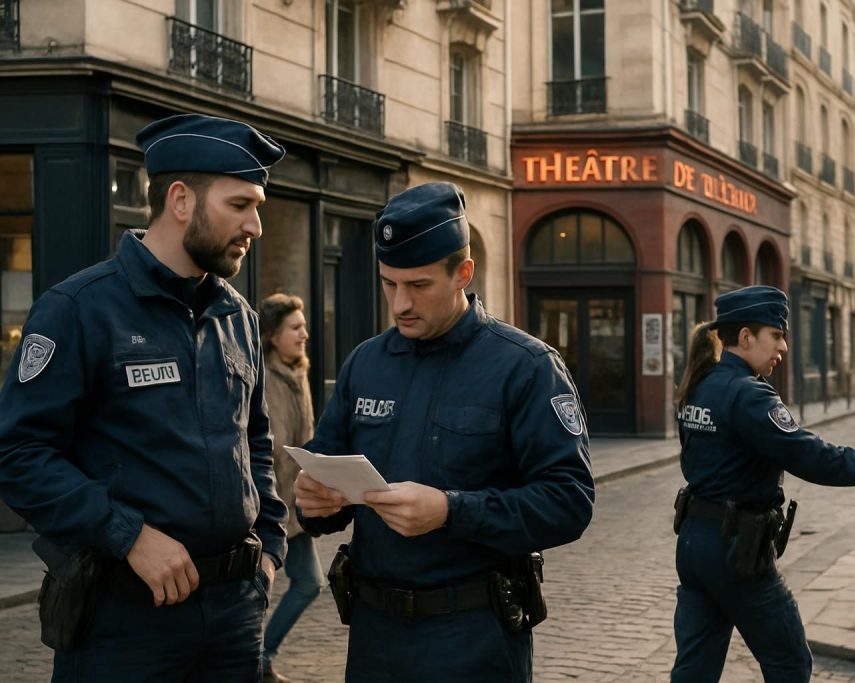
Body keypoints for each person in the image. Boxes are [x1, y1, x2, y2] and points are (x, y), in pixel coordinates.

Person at [0, 113, 288, 680]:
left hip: (234, 615)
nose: (255, 225)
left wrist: (271, 545)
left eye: (258, 208)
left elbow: (254, 438)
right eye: (240, 205)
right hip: (124, 620)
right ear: (180, 200)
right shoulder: (79, 308)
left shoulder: (240, 318)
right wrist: (126, 534)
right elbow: (18, 455)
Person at [293, 181, 595, 682]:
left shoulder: (525, 366)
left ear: (463, 273)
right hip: (374, 637)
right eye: (389, 283)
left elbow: (568, 502)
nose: (400, 304)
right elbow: (326, 475)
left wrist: (451, 512)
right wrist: (316, 501)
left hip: (473, 637)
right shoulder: (365, 363)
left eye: (419, 285)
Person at [671, 285, 855, 682]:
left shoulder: (701, 384)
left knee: (694, 669)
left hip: (694, 542)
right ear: (745, 337)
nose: (783, 348)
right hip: (734, 549)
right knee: (789, 661)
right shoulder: (749, 394)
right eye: (776, 336)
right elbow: (808, 455)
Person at [258, 293, 323, 683]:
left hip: (295, 506)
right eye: (295, 328)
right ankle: (249, 657)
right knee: (255, 591)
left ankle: (260, 653)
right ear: (273, 337)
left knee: (310, 582)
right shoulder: (263, 379)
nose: (304, 334)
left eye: (303, 326)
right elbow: (269, 450)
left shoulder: (299, 372)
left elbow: (306, 441)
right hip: (268, 507)